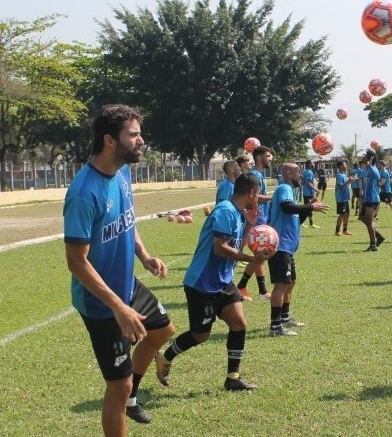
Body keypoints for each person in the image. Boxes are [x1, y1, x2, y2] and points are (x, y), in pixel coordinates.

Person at [64, 104, 176, 433]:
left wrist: (145, 256)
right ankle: (127, 396)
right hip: (101, 304)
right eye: (134, 134)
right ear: (110, 140)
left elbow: (127, 221)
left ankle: (131, 397)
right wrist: (119, 308)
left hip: (126, 287)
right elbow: (76, 261)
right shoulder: (84, 193)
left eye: (140, 133)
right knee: (119, 386)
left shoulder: (123, 172)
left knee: (162, 332)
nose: (141, 140)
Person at [155, 173, 268, 393]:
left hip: (223, 282)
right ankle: (165, 357)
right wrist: (251, 260)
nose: (260, 199)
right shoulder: (226, 211)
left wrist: (250, 225)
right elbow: (220, 248)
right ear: (252, 192)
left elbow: (237, 247)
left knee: (239, 325)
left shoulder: (237, 213)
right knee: (201, 335)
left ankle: (232, 378)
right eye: (259, 194)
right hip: (202, 284)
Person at [268, 163, 330, 336]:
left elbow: (295, 219)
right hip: (280, 247)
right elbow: (286, 207)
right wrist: (310, 207)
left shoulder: (290, 191)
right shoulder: (284, 188)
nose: (301, 175)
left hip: (287, 248)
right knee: (280, 285)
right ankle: (275, 326)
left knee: (290, 282)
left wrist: (307, 207)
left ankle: (285, 317)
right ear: (288, 173)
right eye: (298, 172)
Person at [236, 146, 273, 301]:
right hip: (254, 221)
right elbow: (254, 198)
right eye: (268, 155)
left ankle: (257, 290)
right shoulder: (254, 176)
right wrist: (274, 198)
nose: (271, 158)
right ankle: (244, 287)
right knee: (260, 255)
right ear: (259, 157)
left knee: (260, 255)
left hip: (260, 220)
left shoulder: (259, 175)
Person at [360, 150, 386, 251]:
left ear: (371, 158)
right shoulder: (366, 169)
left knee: (369, 222)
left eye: (366, 155)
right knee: (363, 218)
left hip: (373, 199)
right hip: (366, 199)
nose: (364, 157)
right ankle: (378, 236)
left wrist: (369, 165)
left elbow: (378, 177)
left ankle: (373, 245)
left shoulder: (373, 168)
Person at [334, 161, 353, 236]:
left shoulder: (344, 175)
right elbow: (340, 186)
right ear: (340, 166)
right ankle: (337, 231)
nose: (346, 165)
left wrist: (350, 181)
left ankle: (345, 230)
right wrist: (349, 181)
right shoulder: (339, 175)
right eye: (344, 164)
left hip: (345, 198)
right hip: (341, 198)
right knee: (341, 214)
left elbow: (346, 185)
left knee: (347, 214)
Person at [301, 160, 319, 228]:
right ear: (309, 164)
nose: (314, 164)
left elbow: (303, 182)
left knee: (308, 208)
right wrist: (315, 189)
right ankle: (304, 223)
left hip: (306, 192)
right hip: (309, 193)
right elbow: (308, 183)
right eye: (313, 162)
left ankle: (310, 224)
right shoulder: (309, 172)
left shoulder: (306, 171)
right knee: (308, 208)